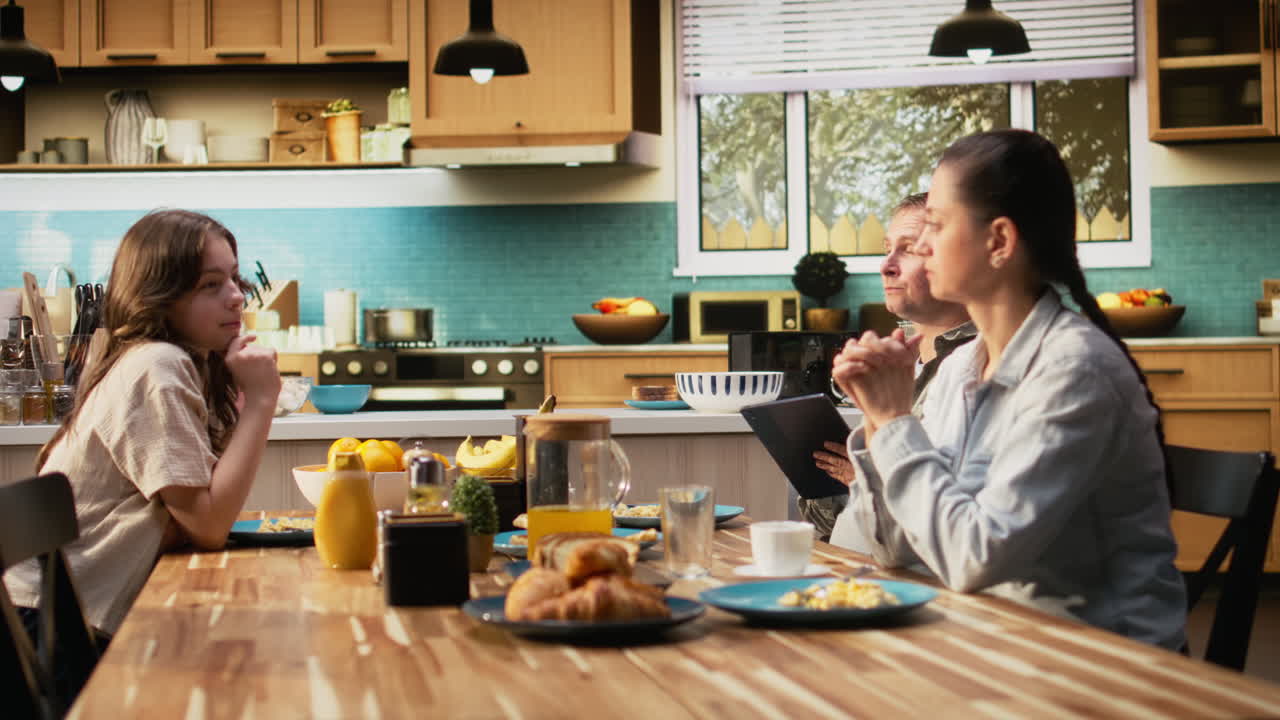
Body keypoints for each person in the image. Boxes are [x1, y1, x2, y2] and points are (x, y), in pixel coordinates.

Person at [829, 129, 1186, 650]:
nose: (922, 246)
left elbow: (973, 558)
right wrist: (879, 418)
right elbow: (896, 550)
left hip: (1099, 665)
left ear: (998, 241)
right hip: (992, 639)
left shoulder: (1074, 370)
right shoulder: (959, 370)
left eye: (937, 225)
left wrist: (897, 423)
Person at [4, 209, 281, 698]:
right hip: (57, 636)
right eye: (211, 284)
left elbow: (198, 510)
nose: (238, 295)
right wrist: (259, 402)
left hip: (62, 617)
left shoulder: (170, 361)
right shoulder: (158, 365)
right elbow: (211, 524)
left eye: (234, 278)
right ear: (161, 298)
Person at [798, 193, 974, 540]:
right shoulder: (898, 362)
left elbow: (949, 530)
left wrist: (866, 480)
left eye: (908, 249)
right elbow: (831, 525)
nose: (886, 266)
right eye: (886, 249)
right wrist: (835, 477)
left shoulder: (978, 365)